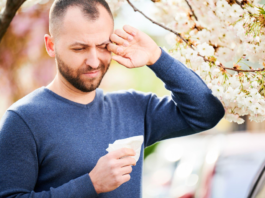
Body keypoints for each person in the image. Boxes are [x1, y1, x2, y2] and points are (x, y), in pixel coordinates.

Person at [0, 0, 225, 197]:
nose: (94, 60)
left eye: (102, 46)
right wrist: (91, 184)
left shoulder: (134, 108)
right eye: (79, 48)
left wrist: (156, 58)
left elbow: (207, 113)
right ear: (51, 46)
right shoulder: (24, 120)